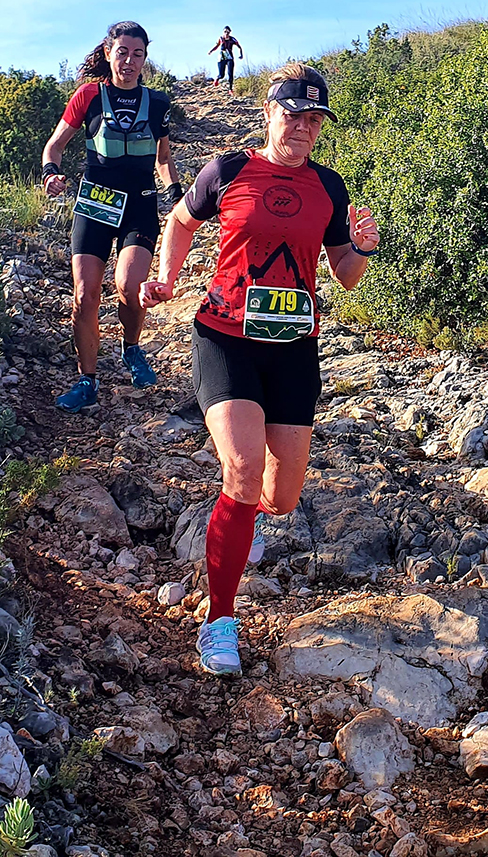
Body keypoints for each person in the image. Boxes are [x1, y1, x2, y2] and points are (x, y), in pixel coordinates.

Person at [140, 63, 379, 676]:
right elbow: (180, 221)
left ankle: (241, 520)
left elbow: (345, 275)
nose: (303, 128)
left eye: (314, 119)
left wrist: (363, 247)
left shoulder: (329, 187)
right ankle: (219, 621)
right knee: (244, 470)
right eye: (293, 115)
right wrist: (166, 278)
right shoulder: (228, 170)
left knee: (281, 495)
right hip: (225, 339)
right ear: (269, 112)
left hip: (294, 347)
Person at [42, 20, 183, 413]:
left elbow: (163, 158)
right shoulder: (88, 96)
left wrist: (175, 193)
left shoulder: (157, 103)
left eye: (138, 54)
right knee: (85, 295)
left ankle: (131, 348)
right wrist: (51, 173)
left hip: (139, 204)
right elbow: (54, 146)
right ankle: (86, 380)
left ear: (145, 59)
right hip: (96, 205)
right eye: (122, 52)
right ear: (108, 53)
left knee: (130, 286)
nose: (129, 61)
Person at [208, 26, 243, 94]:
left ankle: (230, 89)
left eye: (228, 32)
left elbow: (239, 47)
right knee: (221, 75)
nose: (226, 33)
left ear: (230, 32)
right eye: (225, 32)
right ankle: (217, 78)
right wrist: (211, 51)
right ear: (223, 32)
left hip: (230, 57)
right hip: (222, 58)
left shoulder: (232, 39)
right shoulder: (221, 38)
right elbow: (217, 46)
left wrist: (241, 55)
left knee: (230, 74)